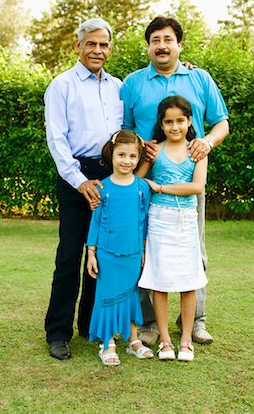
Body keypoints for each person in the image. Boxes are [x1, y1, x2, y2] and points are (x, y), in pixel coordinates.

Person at [121, 15, 229, 346]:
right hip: (144, 183)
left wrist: (207, 142)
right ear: (149, 46)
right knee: (147, 252)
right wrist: (140, 147)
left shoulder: (200, 79)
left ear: (179, 44)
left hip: (187, 180)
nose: (162, 45)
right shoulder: (133, 83)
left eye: (168, 39)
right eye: (155, 40)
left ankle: (196, 321)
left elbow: (222, 122)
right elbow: (122, 133)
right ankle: (151, 324)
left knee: (194, 250)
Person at [44, 17, 124, 360]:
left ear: (109, 48)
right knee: (70, 255)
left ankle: (90, 324)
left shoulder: (118, 86)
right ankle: (58, 332)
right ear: (78, 46)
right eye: (90, 43)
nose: (97, 50)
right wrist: (79, 181)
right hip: (75, 175)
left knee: (102, 255)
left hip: (110, 175)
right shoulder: (61, 85)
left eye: (103, 44)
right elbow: (56, 140)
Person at [137, 95, 208, 361]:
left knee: (189, 281)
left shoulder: (197, 151)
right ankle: (165, 341)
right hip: (159, 221)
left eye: (180, 121)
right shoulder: (155, 152)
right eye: (169, 122)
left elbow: (196, 187)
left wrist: (162, 187)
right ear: (161, 123)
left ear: (189, 121)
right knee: (160, 281)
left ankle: (186, 340)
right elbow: (137, 179)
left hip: (186, 220)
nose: (175, 127)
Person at [86, 130, 153, 366]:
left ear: (139, 158)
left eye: (133, 156)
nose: (127, 161)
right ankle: (107, 343)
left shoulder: (142, 188)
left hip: (133, 252)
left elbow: (144, 221)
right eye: (121, 155)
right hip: (107, 253)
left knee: (130, 295)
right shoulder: (102, 188)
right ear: (111, 155)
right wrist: (91, 252)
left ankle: (133, 340)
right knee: (107, 296)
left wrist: (144, 249)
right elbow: (95, 221)